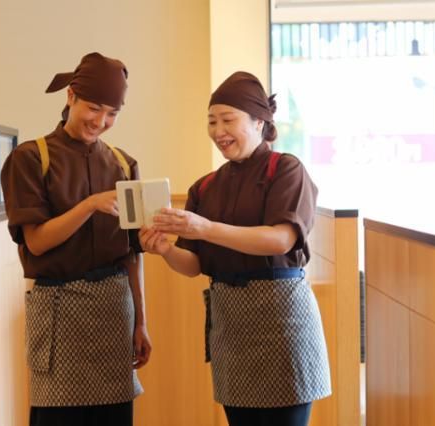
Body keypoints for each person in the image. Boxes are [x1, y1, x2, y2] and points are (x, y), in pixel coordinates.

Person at [139, 71, 331, 426]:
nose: (218, 131)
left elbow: (281, 239)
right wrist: (165, 250)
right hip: (230, 323)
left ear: (259, 121)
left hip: (282, 321)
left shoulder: (286, 169)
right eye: (212, 121)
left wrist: (205, 228)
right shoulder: (205, 187)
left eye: (228, 120)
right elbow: (193, 265)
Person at [1, 52, 151, 426]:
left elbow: (132, 253)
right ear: (71, 97)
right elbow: (36, 242)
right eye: (94, 108)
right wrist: (89, 205)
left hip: (114, 312)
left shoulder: (123, 164)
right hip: (59, 314)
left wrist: (141, 321)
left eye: (112, 113)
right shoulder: (30, 158)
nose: (101, 121)